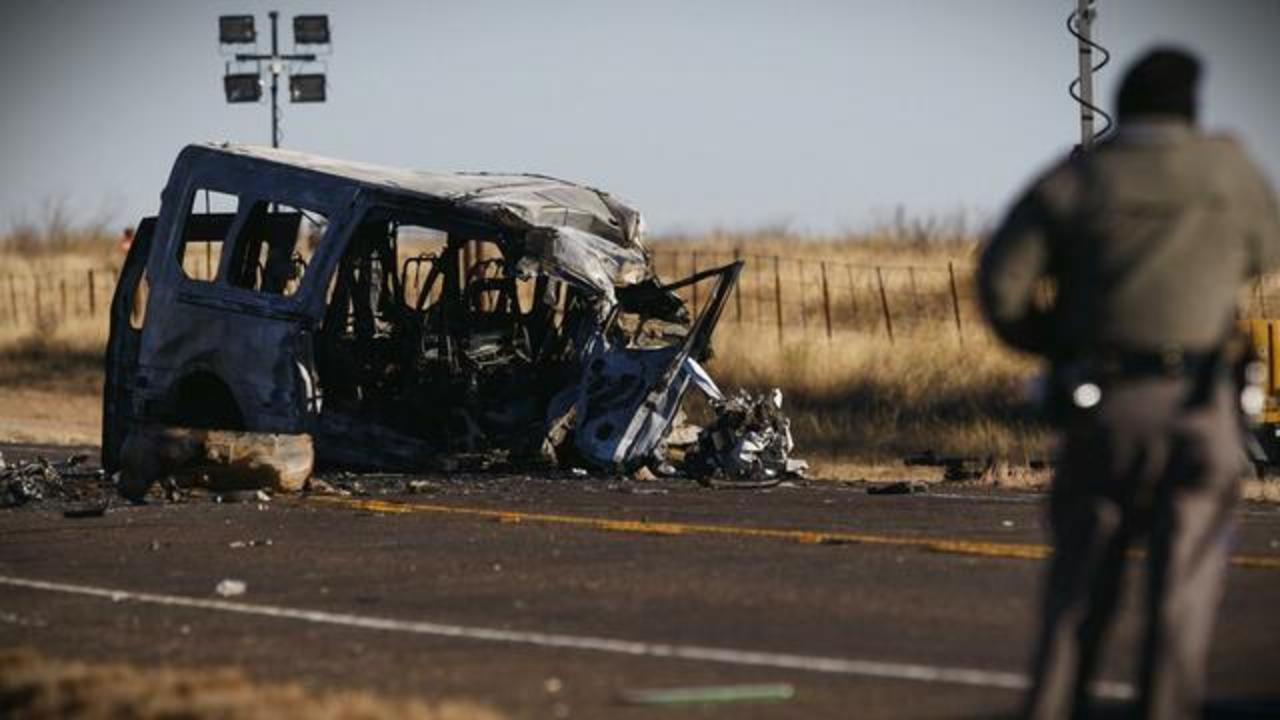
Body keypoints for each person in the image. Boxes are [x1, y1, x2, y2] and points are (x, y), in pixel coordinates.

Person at [978, 47, 1280, 719]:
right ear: (1191, 108)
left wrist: (1059, 342)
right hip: (1203, 405)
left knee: (1078, 598)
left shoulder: (1078, 177)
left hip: (1104, 404)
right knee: (1181, 604)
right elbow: (1266, 248)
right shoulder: (1228, 171)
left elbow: (1001, 287)